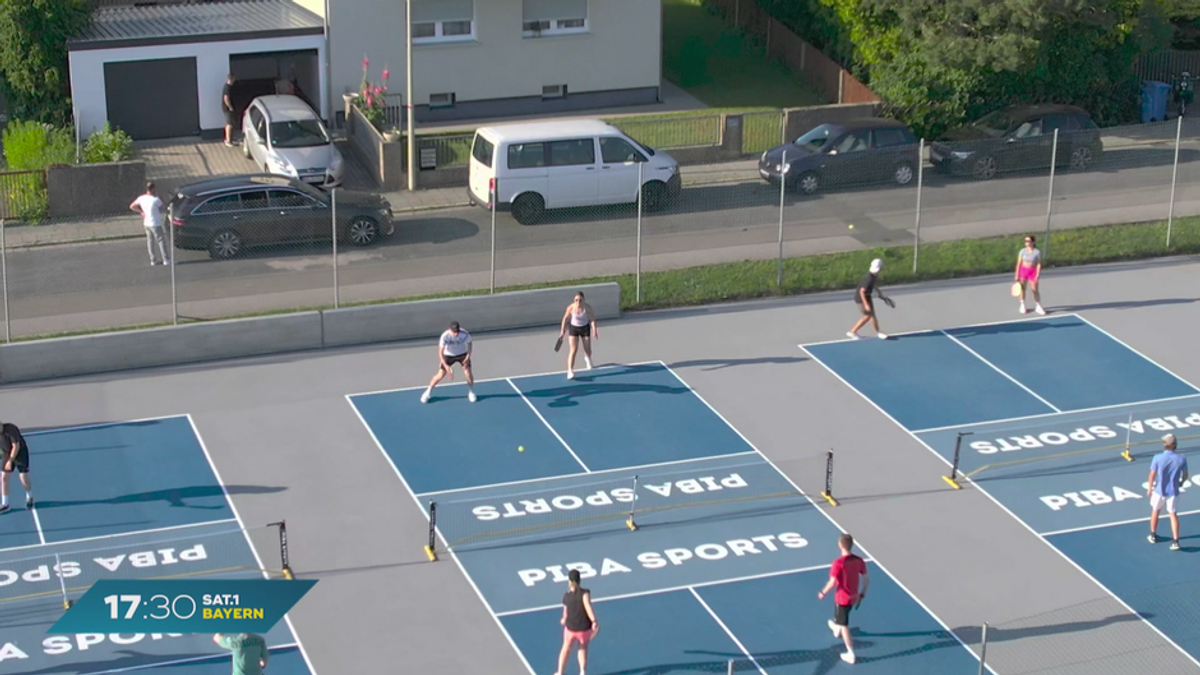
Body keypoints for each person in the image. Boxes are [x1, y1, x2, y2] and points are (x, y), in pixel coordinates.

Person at [818, 533, 870, 664]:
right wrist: (862, 593)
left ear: (840, 545)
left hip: (842, 598)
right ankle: (836, 628)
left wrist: (823, 592)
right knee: (842, 615)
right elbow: (866, 579)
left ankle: (850, 653)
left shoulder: (838, 563)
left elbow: (832, 582)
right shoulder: (859, 561)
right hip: (854, 597)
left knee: (844, 624)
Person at [1148, 433, 1189, 551]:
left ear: (1165, 445)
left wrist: (1150, 488)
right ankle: (1176, 541)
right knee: (1173, 514)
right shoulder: (1181, 458)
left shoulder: (1157, 457)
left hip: (1159, 491)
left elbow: (1152, 475)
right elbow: (1185, 475)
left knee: (1155, 511)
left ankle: (1152, 534)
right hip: (1173, 492)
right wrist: (1181, 482)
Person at [553, 568, 598, 675]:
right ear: (579, 580)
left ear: (569, 581)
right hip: (584, 629)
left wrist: (564, 619)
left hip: (571, 629)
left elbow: (565, 612)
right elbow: (588, 607)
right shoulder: (585, 593)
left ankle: (560, 673)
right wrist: (594, 620)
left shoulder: (566, 596)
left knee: (566, 650)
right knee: (582, 648)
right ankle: (582, 672)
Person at [420, 321, 476, 403]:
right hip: (448, 355)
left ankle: (471, 392)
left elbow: (470, 344)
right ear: (450, 330)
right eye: (454, 332)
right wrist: (445, 365)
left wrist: (468, 357)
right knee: (440, 375)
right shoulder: (445, 336)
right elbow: (440, 351)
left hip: (462, 354)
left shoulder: (465, 334)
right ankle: (427, 392)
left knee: (468, 372)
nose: (456, 334)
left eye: (457, 332)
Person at [130, 182, 170, 266]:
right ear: (153, 189)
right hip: (155, 223)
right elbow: (164, 207)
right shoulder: (155, 200)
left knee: (150, 241)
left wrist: (141, 212)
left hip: (146, 223)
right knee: (161, 240)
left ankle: (153, 259)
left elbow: (132, 206)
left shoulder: (141, 198)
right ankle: (166, 259)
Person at [846, 258, 887, 340]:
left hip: (867, 296)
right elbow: (861, 291)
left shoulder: (874, 276)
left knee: (872, 315)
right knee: (867, 316)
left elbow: (873, 285)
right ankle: (852, 332)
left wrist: (880, 293)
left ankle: (878, 332)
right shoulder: (869, 278)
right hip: (861, 298)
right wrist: (866, 304)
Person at [560, 291, 598, 380]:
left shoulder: (587, 308)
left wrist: (594, 330)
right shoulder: (571, 308)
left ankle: (587, 358)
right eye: (576, 300)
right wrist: (562, 331)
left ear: (584, 300)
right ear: (574, 300)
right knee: (573, 350)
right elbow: (565, 319)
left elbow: (592, 319)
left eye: (580, 300)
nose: (578, 302)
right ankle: (570, 371)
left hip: (585, 328)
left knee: (587, 349)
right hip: (574, 329)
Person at [0, 421, 32, 513]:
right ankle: (5, 504)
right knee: (4, 477)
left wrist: (10, 461)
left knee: (23, 477)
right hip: (7, 452)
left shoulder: (11, 429)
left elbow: (16, 446)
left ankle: (29, 497)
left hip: (20, 452)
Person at [1014, 235, 1046, 315]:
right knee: (1023, 289)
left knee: (1034, 290)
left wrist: (1038, 274)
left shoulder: (1037, 252)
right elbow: (1019, 263)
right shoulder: (1022, 251)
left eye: (1028, 241)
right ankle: (1022, 305)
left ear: (1033, 242)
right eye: (1025, 241)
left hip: (1033, 272)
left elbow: (1038, 264)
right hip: (1023, 271)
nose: (1026, 243)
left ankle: (1038, 306)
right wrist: (1017, 274)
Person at [223, 74, 237, 146]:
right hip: (228, 109)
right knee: (229, 124)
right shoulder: (227, 88)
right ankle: (228, 141)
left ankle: (230, 139)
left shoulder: (228, 87)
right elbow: (226, 98)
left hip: (227, 108)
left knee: (230, 123)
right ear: (231, 79)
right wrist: (230, 107)